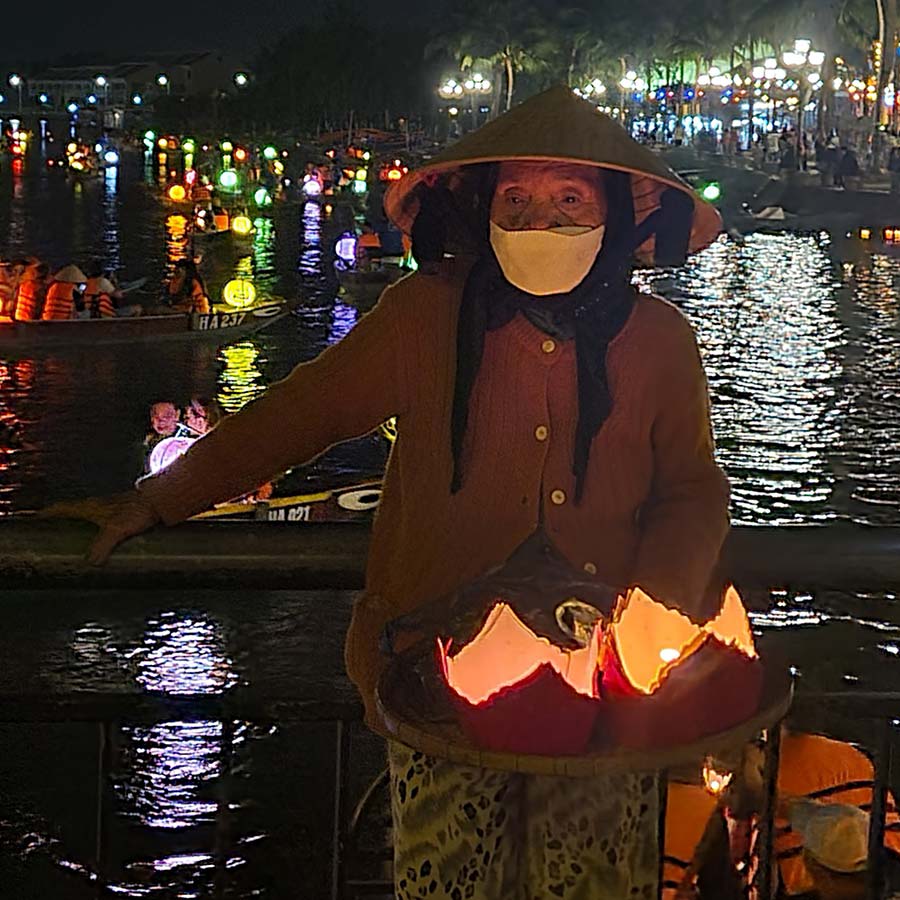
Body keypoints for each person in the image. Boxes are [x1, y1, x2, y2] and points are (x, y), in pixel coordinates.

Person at [48, 86, 728, 899]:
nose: (539, 220)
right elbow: (299, 414)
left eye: (569, 199)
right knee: (445, 881)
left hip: (603, 706)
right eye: (517, 198)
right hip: (437, 689)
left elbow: (691, 494)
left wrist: (648, 617)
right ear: (484, 209)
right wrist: (159, 500)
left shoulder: (659, 342)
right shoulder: (423, 316)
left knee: (588, 883)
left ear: (616, 212)